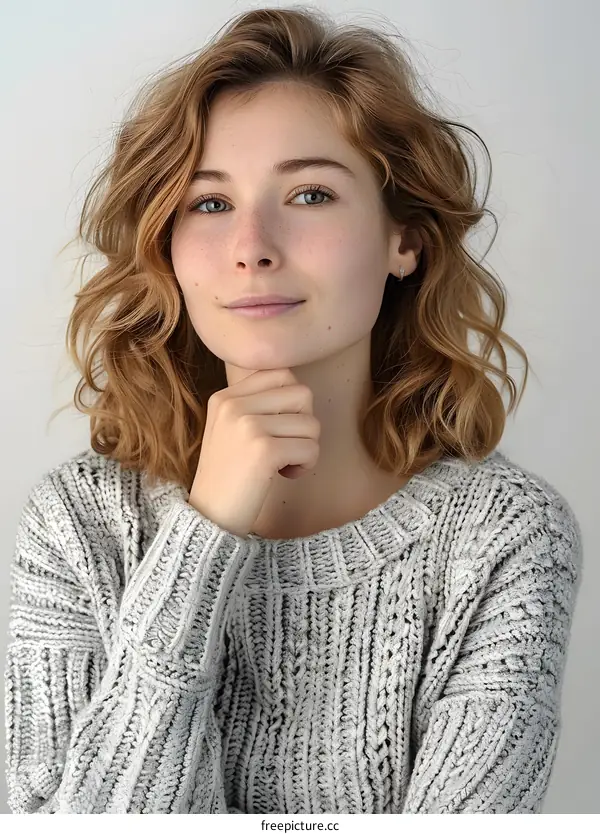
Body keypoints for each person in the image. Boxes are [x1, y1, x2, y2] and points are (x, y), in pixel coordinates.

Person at [4, 5, 583, 814]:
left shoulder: (502, 536)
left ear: (404, 241)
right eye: (208, 203)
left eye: (310, 193)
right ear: (164, 243)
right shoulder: (77, 525)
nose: (251, 245)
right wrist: (205, 534)